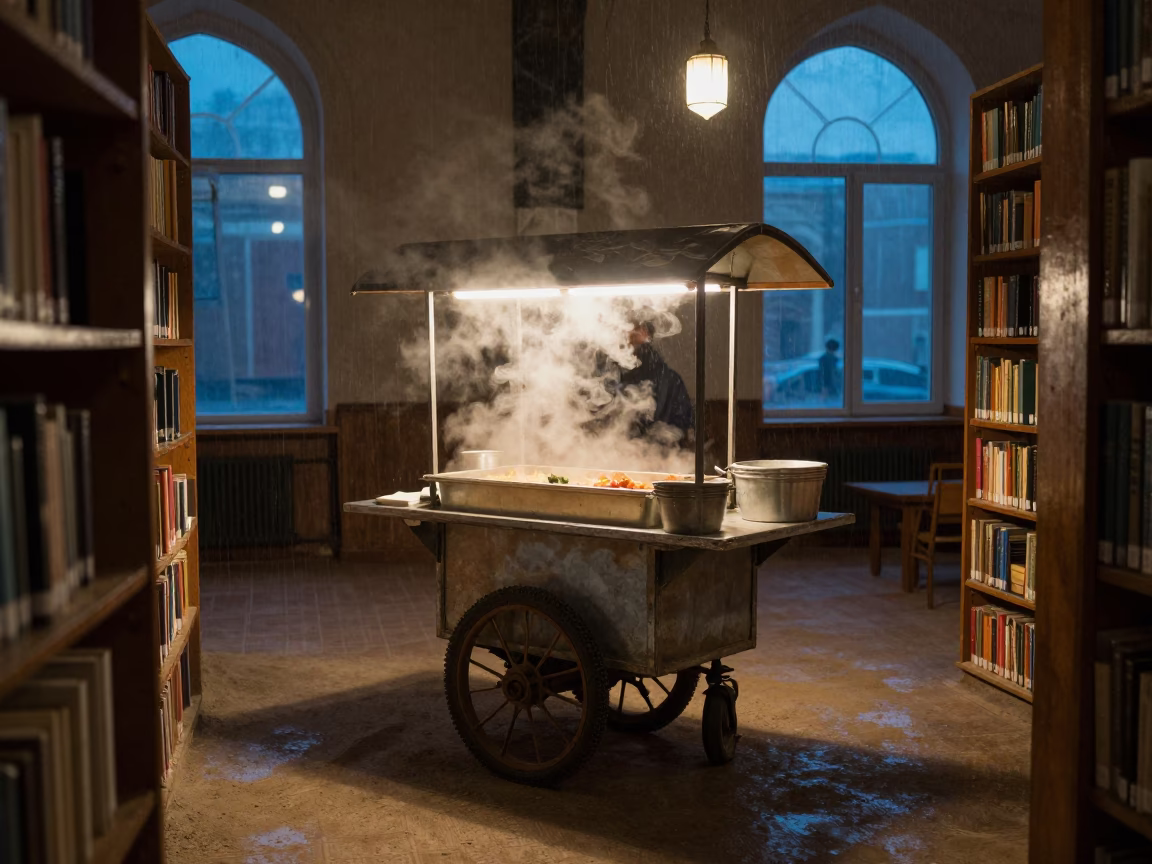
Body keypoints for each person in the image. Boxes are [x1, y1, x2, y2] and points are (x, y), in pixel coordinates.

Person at [615, 320, 695, 444]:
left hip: (656, 458)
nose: (630, 334)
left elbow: (684, 426)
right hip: (613, 455)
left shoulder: (670, 380)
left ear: (648, 334)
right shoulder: (606, 377)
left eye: (637, 328)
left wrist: (666, 434)